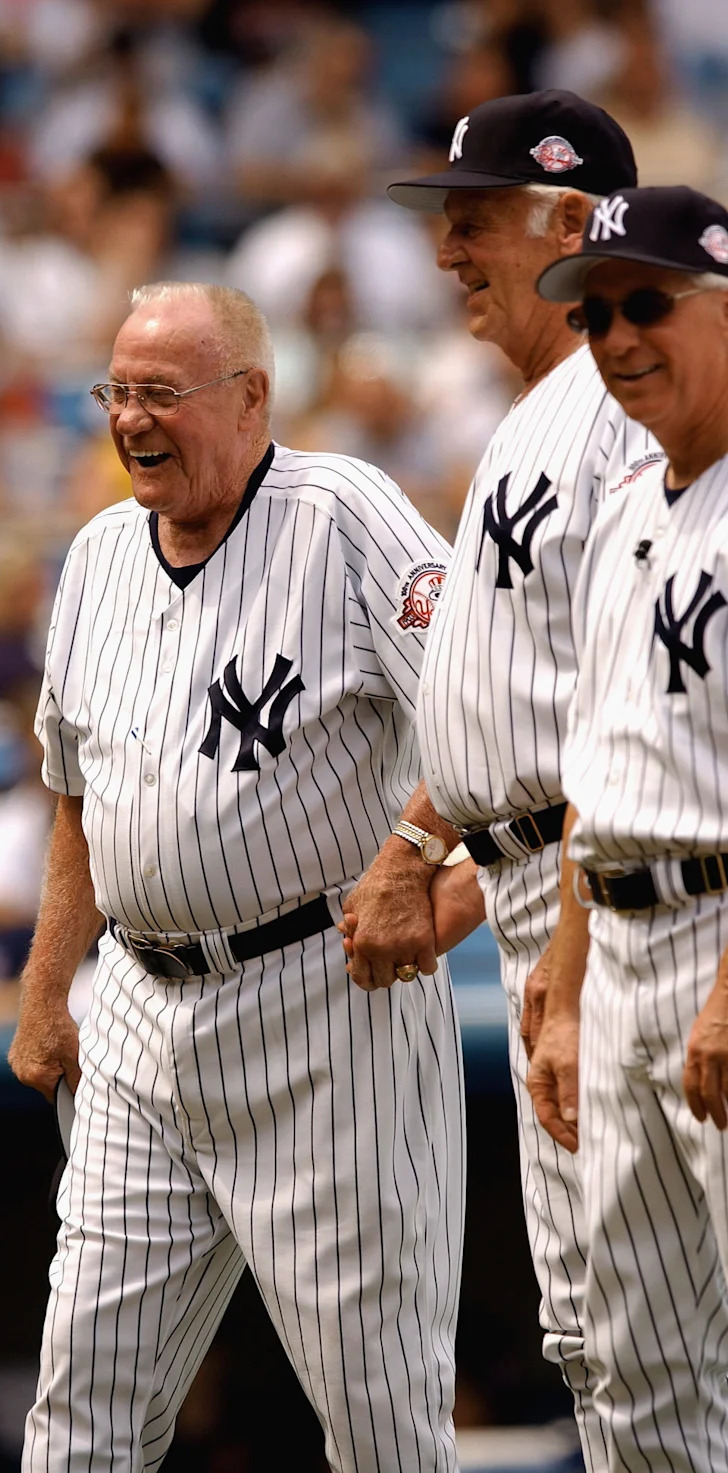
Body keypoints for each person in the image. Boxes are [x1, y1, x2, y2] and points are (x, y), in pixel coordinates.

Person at [7, 281, 468, 1473]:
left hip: (324, 1013)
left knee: (380, 1424)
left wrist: (425, 871)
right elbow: (77, 801)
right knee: (81, 1413)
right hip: (139, 1019)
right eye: (118, 392)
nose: (131, 419)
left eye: (163, 393)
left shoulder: (343, 513)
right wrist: (46, 985)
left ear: (251, 396)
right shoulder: (102, 552)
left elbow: (491, 707)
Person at [379, 90, 659, 1471]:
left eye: (472, 221)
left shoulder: (614, 409)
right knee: (598, 1330)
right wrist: (430, 840)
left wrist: (559, 929)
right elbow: (517, 689)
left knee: (640, 1329)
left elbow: (622, 706)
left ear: (566, 224)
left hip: (604, 895)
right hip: (533, 883)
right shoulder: (536, 415)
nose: (448, 251)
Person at [529, 184, 728, 1471]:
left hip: (721, 934)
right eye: (596, 317)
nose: (616, 339)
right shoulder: (624, 512)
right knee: (635, 1363)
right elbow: (595, 774)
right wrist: (564, 982)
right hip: (623, 950)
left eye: (646, 305)